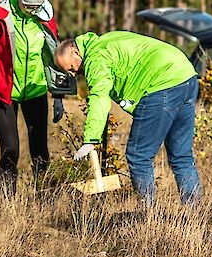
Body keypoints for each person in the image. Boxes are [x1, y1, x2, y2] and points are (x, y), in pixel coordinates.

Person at [53, 31, 201, 203]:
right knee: (181, 155)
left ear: (75, 52)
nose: (73, 74)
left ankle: (148, 212)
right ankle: (194, 210)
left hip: (161, 83)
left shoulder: (96, 57)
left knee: (139, 155)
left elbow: (99, 97)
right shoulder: (105, 41)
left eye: (71, 68)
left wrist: (90, 140)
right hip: (186, 75)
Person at [0, 0, 70, 195]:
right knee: (11, 150)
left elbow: (54, 56)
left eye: (38, 7)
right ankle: (7, 202)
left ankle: (44, 197)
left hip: (35, 90)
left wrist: (58, 95)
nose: (35, 11)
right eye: (31, 7)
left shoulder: (44, 18)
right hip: (3, 93)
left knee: (40, 151)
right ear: (20, 1)